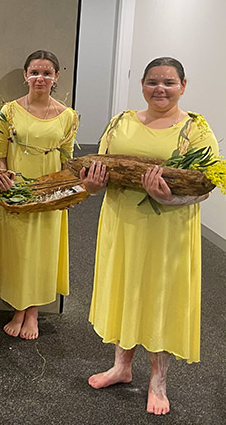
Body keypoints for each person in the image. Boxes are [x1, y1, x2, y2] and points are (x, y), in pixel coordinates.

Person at [81, 57, 218, 415]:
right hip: (122, 223)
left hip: (168, 230)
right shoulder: (121, 122)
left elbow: (204, 189)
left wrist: (167, 197)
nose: (160, 88)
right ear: (141, 84)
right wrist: (91, 186)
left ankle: (158, 381)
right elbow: (100, 171)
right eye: (152, 81)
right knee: (125, 289)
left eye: (169, 82)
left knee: (160, 298)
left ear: (183, 86)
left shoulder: (195, 130)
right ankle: (121, 367)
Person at [0, 50, 78, 340]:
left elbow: (67, 160)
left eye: (47, 73)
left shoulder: (67, 116)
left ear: (56, 77)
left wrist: (64, 193)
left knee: (43, 250)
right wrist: (5, 181)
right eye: (35, 72)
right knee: (18, 249)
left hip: (49, 191)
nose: (40, 78)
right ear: (25, 75)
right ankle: (19, 308)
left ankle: (33, 312)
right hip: (17, 189)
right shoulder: (9, 111)